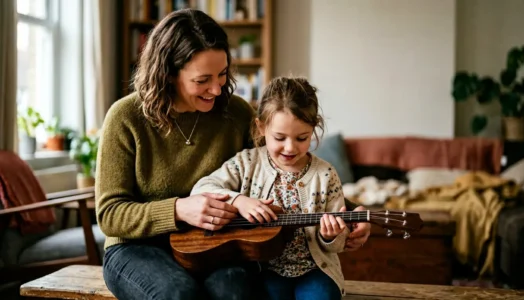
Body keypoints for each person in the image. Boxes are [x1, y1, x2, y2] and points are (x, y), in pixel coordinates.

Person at [96, 8, 369, 300]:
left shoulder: (235, 113)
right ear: (168, 73)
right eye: (203, 80)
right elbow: (110, 215)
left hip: (215, 245)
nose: (217, 89)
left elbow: (283, 172)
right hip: (136, 248)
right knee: (177, 294)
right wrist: (178, 209)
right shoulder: (125, 117)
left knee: (236, 292)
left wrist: (354, 214)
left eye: (223, 74)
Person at [190, 76, 368, 300]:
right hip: (264, 271)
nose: (290, 147)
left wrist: (331, 236)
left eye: (302, 138)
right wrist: (238, 200)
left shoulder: (326, 174)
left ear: (313, 129)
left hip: (314, 271)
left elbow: (338, 245)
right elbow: (201, 188)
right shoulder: (247, 163)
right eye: (279, 137)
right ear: (261, 127)